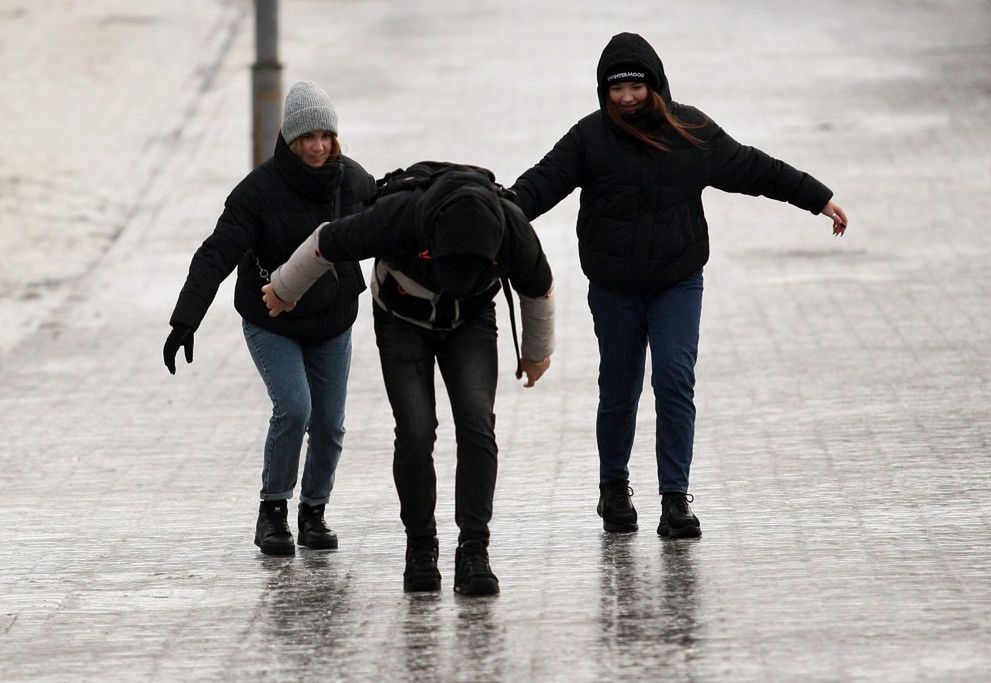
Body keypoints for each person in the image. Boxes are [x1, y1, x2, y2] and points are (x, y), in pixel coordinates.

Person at [510, 33, 849, 539]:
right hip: (614, 284)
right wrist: (491, 213)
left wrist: (816, 197)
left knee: (673, 379)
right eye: (615, 89)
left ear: (655, 86)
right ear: (602, 91)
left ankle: (675, 499)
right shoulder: (588, 138)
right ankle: (614, 490)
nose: (625, 98)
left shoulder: (691, 131)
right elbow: (537, 186)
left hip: (677, 279)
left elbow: (755, 168)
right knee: (619, 388)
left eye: (635, 87)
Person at [262, 162, 555, 595]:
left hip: (471, 320)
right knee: (416, 431)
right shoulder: (398, 216)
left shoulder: (511, 227)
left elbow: (538, 289)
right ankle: (420, 548)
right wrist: (284, 288)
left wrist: (535, 354)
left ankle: (474, 550)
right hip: (402, 318)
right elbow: (326, 242)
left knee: (477, 422)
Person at [163, 82, 375, 556]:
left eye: (326, 135)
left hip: (333, 320)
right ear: (290, 139)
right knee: (295, 407)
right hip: (271, 320)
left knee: (329, 423)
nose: (318, 146)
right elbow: (216, 253)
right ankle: (273, 512)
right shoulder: (257, 191)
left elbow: (390, 224)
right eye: (307, 137)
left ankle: (314, 513)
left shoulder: (354, 181)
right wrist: (186, 318)